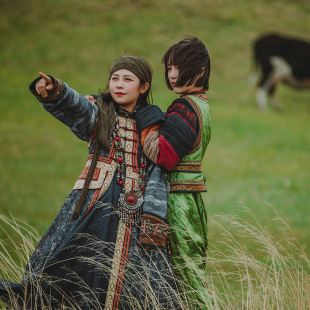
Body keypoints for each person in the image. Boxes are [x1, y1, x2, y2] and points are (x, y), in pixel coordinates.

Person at [0, 56, 180, 309]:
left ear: (143, 87)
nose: (119, 84)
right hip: (96, 204)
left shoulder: (152, 122)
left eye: (127, 79)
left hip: (140, 212)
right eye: (114, 78)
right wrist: (55, 90)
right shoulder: (99, 112)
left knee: (141, 279)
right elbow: (75, 106)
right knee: (75, 265)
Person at [135, 36, 212, 309]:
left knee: (186, 280)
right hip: (191, 199)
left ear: (200, 70)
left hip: (178, 202)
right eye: (169, 68)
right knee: (189, 277)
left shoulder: (185, 107)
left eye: (179, 67)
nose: (173, 74)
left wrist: (145, 115)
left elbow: (164, 155)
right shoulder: (202, 104)